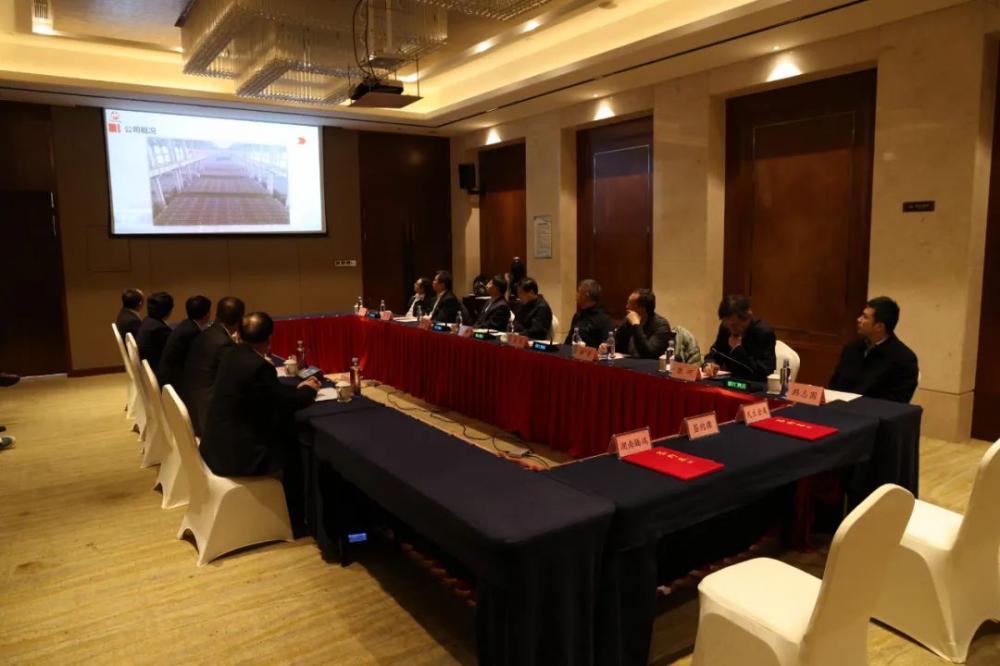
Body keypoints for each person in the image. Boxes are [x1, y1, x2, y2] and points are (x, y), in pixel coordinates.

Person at [200, 312, 320, 478]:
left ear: (239, 334)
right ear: (269, 338)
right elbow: (284, 404)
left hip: (217, 446)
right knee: (293, 444)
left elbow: (268, 392)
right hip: (237, 458)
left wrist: (297, 389)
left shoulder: (232, 354)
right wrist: (310, 390)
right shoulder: (258, 366)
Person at [829, 296, 919, 403]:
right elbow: (834, 385)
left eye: (865, 317)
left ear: (879, 326)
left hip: (872, 411)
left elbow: (897, 402)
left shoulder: (904, 359)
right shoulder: (852, 348)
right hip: (839, 408)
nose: (858, 319)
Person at [183, 296, 245, 435]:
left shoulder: (204, 334)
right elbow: (236, 379)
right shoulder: (224, 344)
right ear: (239, 320)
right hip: (208, 419)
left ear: (216, 314)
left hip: (191, 407)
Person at [703, 295, 776, 381]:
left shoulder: (764, 333)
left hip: (755, 384)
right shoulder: (725, 328)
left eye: (734, 325)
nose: (730, 329)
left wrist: (738, 349)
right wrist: (709, 364)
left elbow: (765, 371)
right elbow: (715, 352)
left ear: (748, 316)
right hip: (730, 381)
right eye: (726, 324)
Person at [157, 295, 212, 389]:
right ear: (207, 314)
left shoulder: (186, 324)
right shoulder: (193, 332)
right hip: (173, 384)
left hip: (166, 377)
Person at [613, 288, 673, 359]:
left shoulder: (661, 326)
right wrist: (607, 345)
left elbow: (648, 354)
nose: (627, 307)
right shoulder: (628, 321)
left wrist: (636, 325)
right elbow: (615, 342)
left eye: (630, 304)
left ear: (642, 309)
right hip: (628, 362)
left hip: (649, 365)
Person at [564, 279, 614, 348]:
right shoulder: (577, 315)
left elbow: (607, 346)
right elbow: (568, 341)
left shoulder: (605, 320)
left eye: (578, 291)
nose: (576, 295)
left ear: (586, 295)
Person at [136, 291, 174, 371]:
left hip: (147, 369)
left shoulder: (147, 321)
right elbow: (173, 353)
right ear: (168, 311)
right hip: (157, 370)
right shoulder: (159, 329)